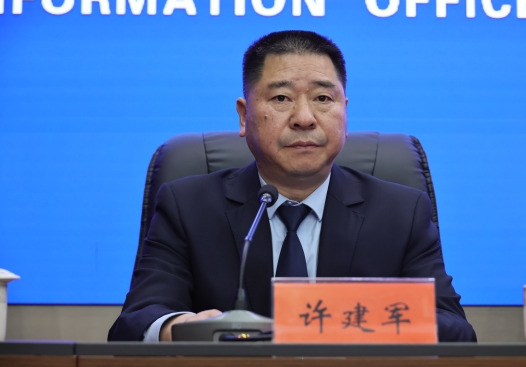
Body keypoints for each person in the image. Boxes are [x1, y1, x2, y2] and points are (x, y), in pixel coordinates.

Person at [108, 30, 477, 342]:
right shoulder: (188, 206)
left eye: (323, 98)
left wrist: (354, 322)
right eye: (281, 98)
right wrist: (178, 328)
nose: (304, 118)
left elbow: (456, 331)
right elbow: (135, 323)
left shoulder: (401, 212)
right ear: (244, 116)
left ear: (344, 111)